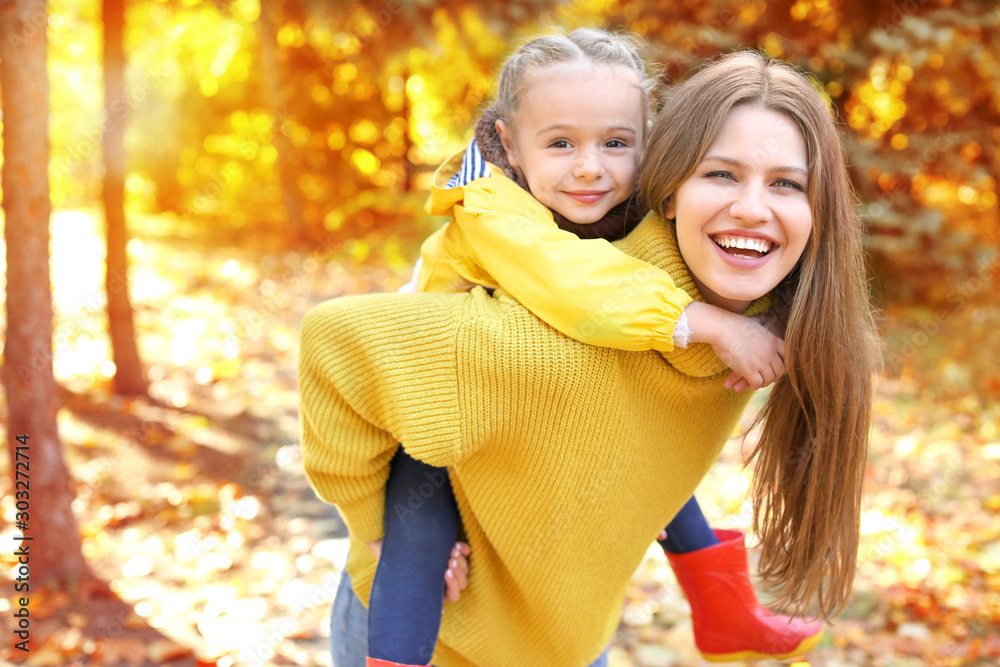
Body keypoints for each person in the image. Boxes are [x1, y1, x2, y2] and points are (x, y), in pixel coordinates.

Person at [300, 48, 878, 667]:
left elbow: (628, 418)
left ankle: (721, 607)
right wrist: (370, 521)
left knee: (641, 431)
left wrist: (785, 323)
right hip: (454, 624)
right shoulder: (507, 242)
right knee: (418, 525)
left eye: (615, 143)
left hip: (569, 639)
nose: (589, 168)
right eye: (721, 174)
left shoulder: (635, 233)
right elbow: (339, 341)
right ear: (510, 145)